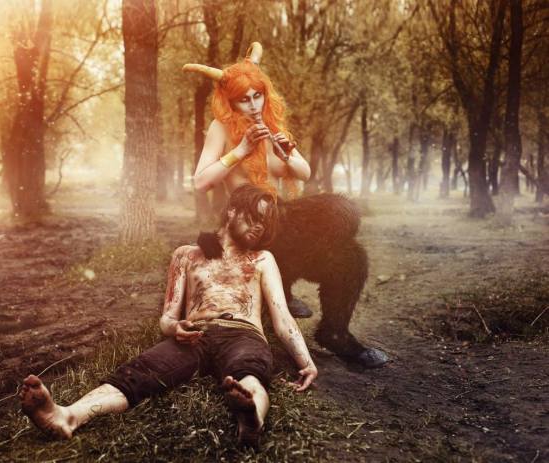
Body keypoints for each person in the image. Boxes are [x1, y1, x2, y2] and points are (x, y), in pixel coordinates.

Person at [20, 185, 318, 447]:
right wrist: (176, 328)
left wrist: (306, 362)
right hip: (195, 336)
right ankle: (67, 416)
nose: (259, 226)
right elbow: (166, 318)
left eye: (265, 222)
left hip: (243, 335)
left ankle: (252, 420)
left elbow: (282, 317)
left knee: (249, 373)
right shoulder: (186, 255)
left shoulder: (262, 259)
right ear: (232, 211)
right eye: (254, 216)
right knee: (136, 374)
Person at [183, 43, 388, 368]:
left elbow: (304, 173)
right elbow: (200, 182)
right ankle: (285, 288)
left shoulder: (271, 125)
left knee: (352, 255)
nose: (253, 105)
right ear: (230, 100)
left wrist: (287, 153)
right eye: (244, 99)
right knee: (331, 208)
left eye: (258, 96)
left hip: (281, 225)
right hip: (248, 224)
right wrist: (240, 150)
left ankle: (334, 333)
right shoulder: (221, 129)